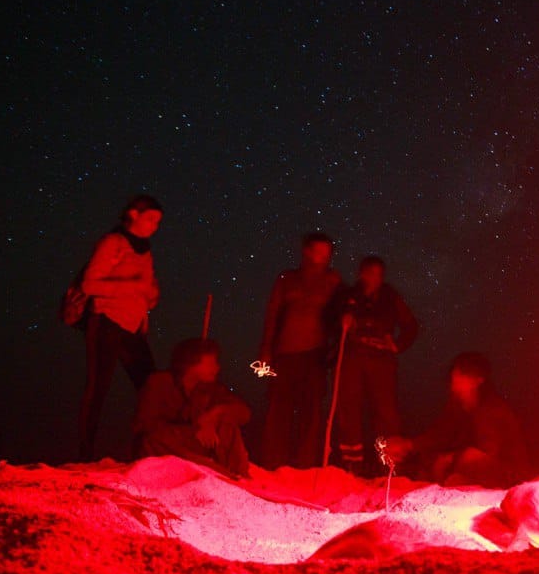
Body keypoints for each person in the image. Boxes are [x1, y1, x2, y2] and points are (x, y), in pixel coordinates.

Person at [78, 195, 163, 461]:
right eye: (150, 219)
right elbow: (89, 285)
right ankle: (86, 453)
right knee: (98, 387)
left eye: (158, 222)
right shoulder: (113, 243)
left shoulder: (145, 249)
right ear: (133, 215)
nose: (154, 226)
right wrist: (133, 287)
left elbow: (147, 287)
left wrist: (150, 295)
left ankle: (150, 448)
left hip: (132, 325)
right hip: (106, 320)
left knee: (149, 385)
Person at [327, 255, 420, 473]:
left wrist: (397, 345)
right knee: (348, 409)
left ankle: (389, 464)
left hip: (381, 360)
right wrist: (342, 323)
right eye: (370, 273)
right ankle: (352, 463)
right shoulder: (348, 295)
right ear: (361, 274)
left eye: (378, 274)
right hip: (352, 358)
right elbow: (329, 320)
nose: (374, 278)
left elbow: (411, 325)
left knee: (386, 411)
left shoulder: (389, 297)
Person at [257, 232, 342, 469]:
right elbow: (272, 314)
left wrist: (347, 319)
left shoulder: (333, 281)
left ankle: (306, 465)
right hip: (284, 353)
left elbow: (343, 308)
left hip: (315, 355)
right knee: (278, 409)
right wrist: (266, 350)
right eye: (318, 251)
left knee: (311, 412)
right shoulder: (287, 278)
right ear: (306, 251)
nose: (322, 257)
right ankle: (273, 463)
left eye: (326, 253)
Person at [387, 352, 526, 488]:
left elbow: (488, 453)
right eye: (456, 372)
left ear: (478, 380)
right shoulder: (459, 405)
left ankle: (461, 481)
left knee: (465, 458)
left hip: (508, 473)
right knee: (434, 459)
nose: (455, 377)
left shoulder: (491, 409)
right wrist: (409, 445)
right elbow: (440, 435)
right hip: (478, 467)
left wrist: (453, 460)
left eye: (462, 374)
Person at [133, 338, 251, 478]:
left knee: (227, 425)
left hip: (193, 447)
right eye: (212, 363)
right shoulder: (160, 383)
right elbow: (145, 426)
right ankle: (210, 469)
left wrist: (213, 415)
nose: (217, 368)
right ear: (192, 364)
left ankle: (238, 474)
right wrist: (194, 429)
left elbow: (244, 413)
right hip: (165, 448)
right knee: (152, 440)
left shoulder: (210, 389)